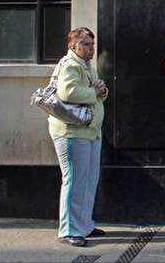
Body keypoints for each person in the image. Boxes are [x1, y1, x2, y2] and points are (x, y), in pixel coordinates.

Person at [49, 27, 108, 247]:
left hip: (89, 130)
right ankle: (69, 229)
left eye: (92, 44)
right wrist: (95, 91)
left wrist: (100, 90)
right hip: (71, 132)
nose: (90, 48)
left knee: (88, 180)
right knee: (74, 180)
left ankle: (84, 225)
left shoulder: (86, 65)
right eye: (84, 44)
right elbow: (68, 93)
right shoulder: (70, 65)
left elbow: (96, 91)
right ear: (72, 46)